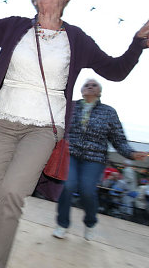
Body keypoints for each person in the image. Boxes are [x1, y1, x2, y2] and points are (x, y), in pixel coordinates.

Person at [0, 0, 149, 268]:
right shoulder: (14, 27)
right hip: (2, 123)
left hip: (43, 130)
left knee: (11, 193)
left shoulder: (77, 39)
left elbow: (116, 70)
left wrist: (137, 43)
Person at [53, 79, 147, 241]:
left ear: (100, 92)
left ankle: (90, 223)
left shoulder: (108, 112)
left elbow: (119, 140)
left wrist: (131, 154)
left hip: (94, 159)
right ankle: (62, 224)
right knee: (68, 186)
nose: (90, 86)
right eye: (86, 84)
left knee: (87, 190)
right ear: (81, 90)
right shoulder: (72, 107)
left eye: (94, 85)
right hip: (72, 155)